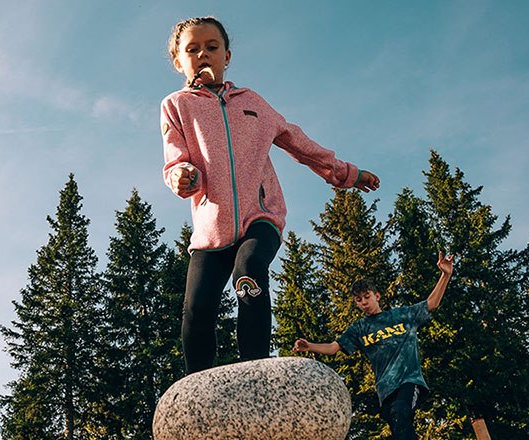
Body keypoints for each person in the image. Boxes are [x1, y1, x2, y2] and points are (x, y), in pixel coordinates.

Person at [161, 16, 381, 375]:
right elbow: (175, 159)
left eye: (212, 48)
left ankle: (255, 370)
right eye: (193, 49)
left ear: (227, 56)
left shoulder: (253, 103)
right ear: (178, 62)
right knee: (197, 308)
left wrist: (345, 173)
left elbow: (297, 142)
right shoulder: (176, 106)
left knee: (249, 269)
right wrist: (181, 177)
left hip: (259, 217)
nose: (203, 54)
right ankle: (196, 386)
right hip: (210, 229)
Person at [293, 252, 455, 440]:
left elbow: (431, 303)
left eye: (367, 297)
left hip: (409, 381)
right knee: (398, 423)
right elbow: (333, 347)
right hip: (385, 390)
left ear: (377, 296)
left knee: (402, 411)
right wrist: (309, 346)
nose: (363, 303)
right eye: (358, 300)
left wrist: (445, 275)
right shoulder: (359, 328)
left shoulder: (402, 316)